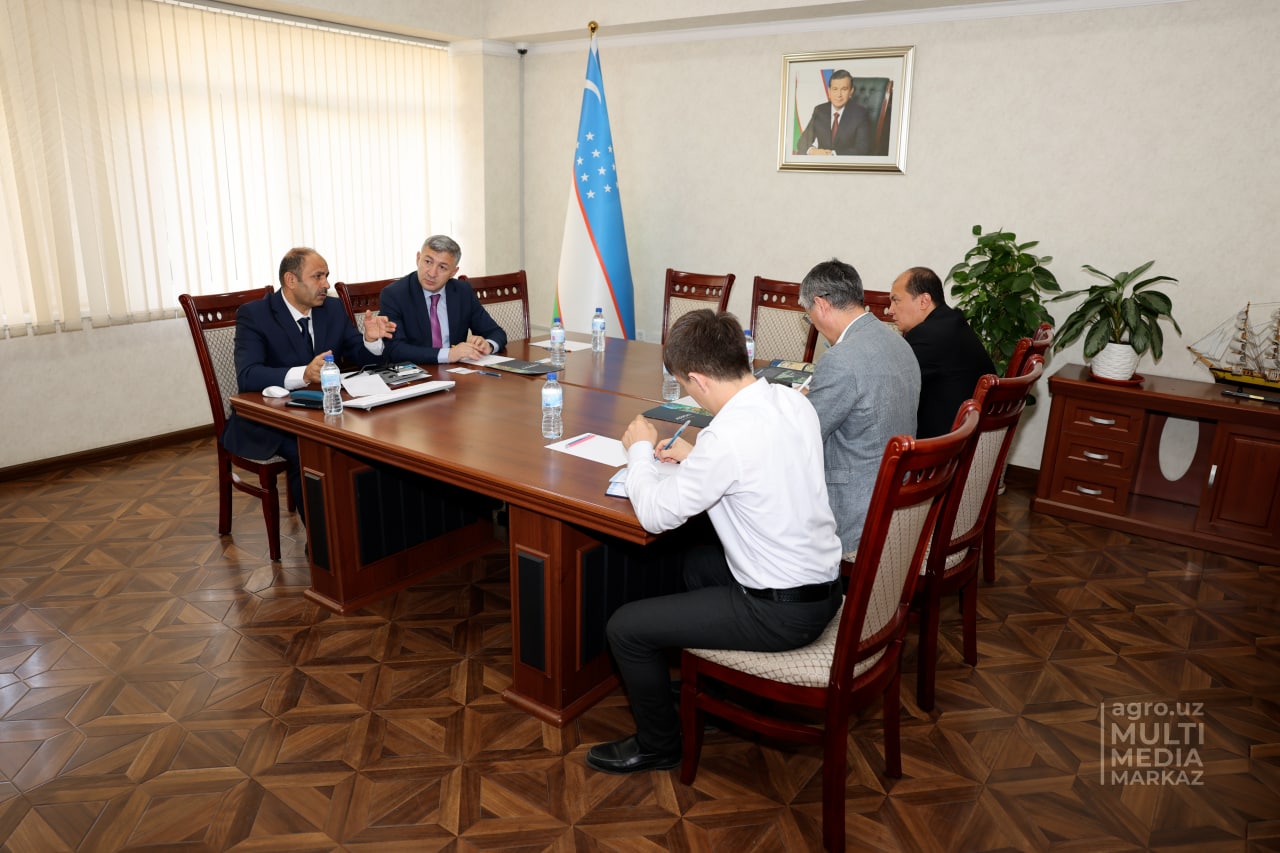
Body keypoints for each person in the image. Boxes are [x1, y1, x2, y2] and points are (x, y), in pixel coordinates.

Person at [585, 310, 843, 775]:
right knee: (698, 563)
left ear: (699, 380)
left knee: (625, 628)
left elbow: (656, 514)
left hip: (782, 614)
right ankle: (720, 683)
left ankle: (659, 745)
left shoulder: (726, 438)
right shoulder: (790, 401)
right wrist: (697, 457)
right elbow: (762, 465)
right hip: (825, 586)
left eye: (686, 385)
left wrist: (639, 449)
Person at [221, 247, 396, 518]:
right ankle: (323, 538)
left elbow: (358, 354)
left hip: (326, 411)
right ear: (291, 280)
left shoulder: (332, 309)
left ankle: (364, 524)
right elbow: (248, 376)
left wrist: (370, 341)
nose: (326, 284)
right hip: (271, 420)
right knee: (310, 452)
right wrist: (303, 374)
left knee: (376, 439)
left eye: (326, 276)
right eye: (318, 276)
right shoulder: (255, 314)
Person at [800, 259, 920, 557]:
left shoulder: (841, 360)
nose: (812, 322)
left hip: (853, 514)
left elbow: (802, 437)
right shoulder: (899, 343)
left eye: (808, 315)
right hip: (896, 497)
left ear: (821, 305)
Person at [886, 266, 996, 439]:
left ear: (924, 301)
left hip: (942, 445)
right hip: (966, 436)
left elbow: (885, 385)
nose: (890, 310)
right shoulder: (951, 322)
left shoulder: (927, 335)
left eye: (896, 300)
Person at [379, 235, 507, 364]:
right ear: (418, 258)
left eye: (442, 267)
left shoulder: (462, 291)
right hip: (418, 371)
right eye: (428, 262)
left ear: (453, 272)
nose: (432, 273)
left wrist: (488, 345)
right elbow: (395, 349)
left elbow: (496, 332)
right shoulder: (394, 295)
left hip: (457, 370)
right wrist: (449, 354)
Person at [796, 69, 873, 156]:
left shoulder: (860, 114)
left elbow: (862, 149)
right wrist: (813, 151)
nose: (839, 95)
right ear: (829, 91)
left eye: (844, 89)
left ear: (851, 91)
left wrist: (832, 154)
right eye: (835, 89)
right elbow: (802, 141)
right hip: (821, 162)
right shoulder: (819, 110)